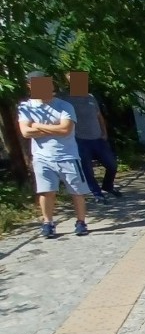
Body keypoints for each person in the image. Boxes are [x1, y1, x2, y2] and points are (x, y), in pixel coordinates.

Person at [17, 70, 89, 237]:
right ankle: (48, 223)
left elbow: (65, 129)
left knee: (77, 191)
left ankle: (81, 222)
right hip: (42, 157)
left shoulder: (64, 105)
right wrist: (52, 129)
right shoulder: (26, 107)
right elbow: (26, 132)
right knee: (46, 191)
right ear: (30, 86)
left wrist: (37, 126)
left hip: (68, 155)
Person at [58, 72, 122, 204]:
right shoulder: (65, 99)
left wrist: (104, 133)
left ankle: (108, 186)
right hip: (80, 140)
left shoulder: (91, 97)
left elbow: (99, 116)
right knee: (87, 169)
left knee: (112, 165)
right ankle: (97, 194)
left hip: (98, 138)